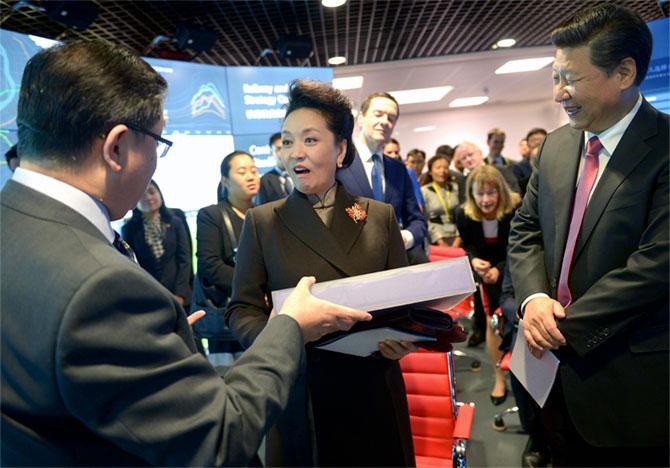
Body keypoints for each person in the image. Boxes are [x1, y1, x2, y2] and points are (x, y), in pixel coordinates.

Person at [0, 39, 372, 466]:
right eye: (157, 143)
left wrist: (159, 343)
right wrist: (289, 325)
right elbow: (218, 438)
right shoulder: (100, 287)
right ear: (117, 147)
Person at [507, 4, 669, 466]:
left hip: (631, 389)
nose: (560, 93)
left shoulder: (664, 147)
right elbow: (525, 228)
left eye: (571, 79)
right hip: (550, 384)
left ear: (624, 72)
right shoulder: (557, 146)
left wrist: (557, 327)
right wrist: (534, 300)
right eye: (555, 77)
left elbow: (656, 265)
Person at [226, 79, 416, 467]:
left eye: (310, 140)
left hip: (373, 387)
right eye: (288, 141)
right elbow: (241, 310)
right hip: (302, 392)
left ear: (341, 148)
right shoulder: (264, 222)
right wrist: (283, 336)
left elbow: (404, 303)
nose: (296, 152)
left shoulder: (378, 216)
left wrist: (406, 337)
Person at [337, 91, 428, 264]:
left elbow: (417, 219)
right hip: (354, 264)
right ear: (361, 118)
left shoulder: (399, 169)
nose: (384, 122)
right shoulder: (339, 163)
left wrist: (406, 238)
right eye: (378, 114)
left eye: (391, 118)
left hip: (397, 262)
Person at [455, 165, 520, 404]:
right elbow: (469, 246)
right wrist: (474, 262)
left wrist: (499, 269)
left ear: (500, 192)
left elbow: (519, 246)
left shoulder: (515, 208)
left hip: (514, 270)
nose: (485, 199)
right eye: (479, 194)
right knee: (493, 322)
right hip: (486, 275)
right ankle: (499, 377)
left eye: (491, 193)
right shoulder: (463, 214)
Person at [194, 150, 260, 365]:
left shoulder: (264, 214)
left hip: (262, 314)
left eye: (254, 170)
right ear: (225, 180)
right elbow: (210, 265)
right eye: (242, 172)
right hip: (229, 315)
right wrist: (252, 288)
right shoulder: (211, 215)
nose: (251, 176)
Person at [122, 179, 192, 307]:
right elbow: (132, 265)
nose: (148, 197)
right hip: (150, 295)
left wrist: (181, 294)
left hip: (178, 292)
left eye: (151, 192)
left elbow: (185, 260)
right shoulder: (129, 229)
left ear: (159, 194)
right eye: (141, 195)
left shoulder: (175, 221)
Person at [421, 154, 461, 247]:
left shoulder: (455, 187)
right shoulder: (424, 191)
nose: (442, 171)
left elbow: (461, 215)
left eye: (445, 168)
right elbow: (425, 219)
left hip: (457, 235)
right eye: (438, 168)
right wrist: (439, 240)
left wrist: (459, 238)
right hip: (435, 236)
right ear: (430, 171)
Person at [257, 132, 293, 204]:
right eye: (278, 149)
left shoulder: (303, 174)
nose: (283, 153)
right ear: (271, 152)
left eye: (286, 147)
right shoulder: (264, 181)